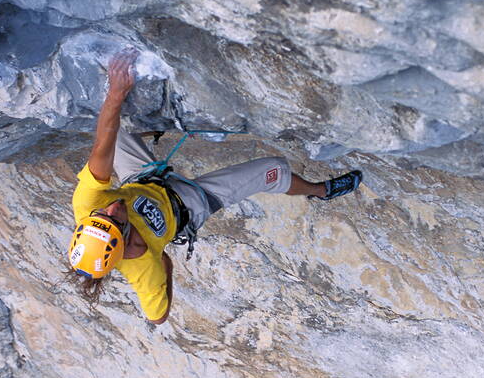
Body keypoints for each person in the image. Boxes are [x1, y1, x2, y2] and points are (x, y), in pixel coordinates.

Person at [66, 52, 363, 324]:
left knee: (109, 129)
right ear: (126, 241)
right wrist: (165, 264)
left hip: (141, 181)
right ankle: (320, 191)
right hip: (189, 205)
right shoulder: (143, 268)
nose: (113, 207)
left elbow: (103, 144)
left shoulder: (87, 203)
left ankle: (156, 124)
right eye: (117, 219)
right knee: (273, 169)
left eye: (102, 214)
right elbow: (158, 317)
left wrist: (117, 92)